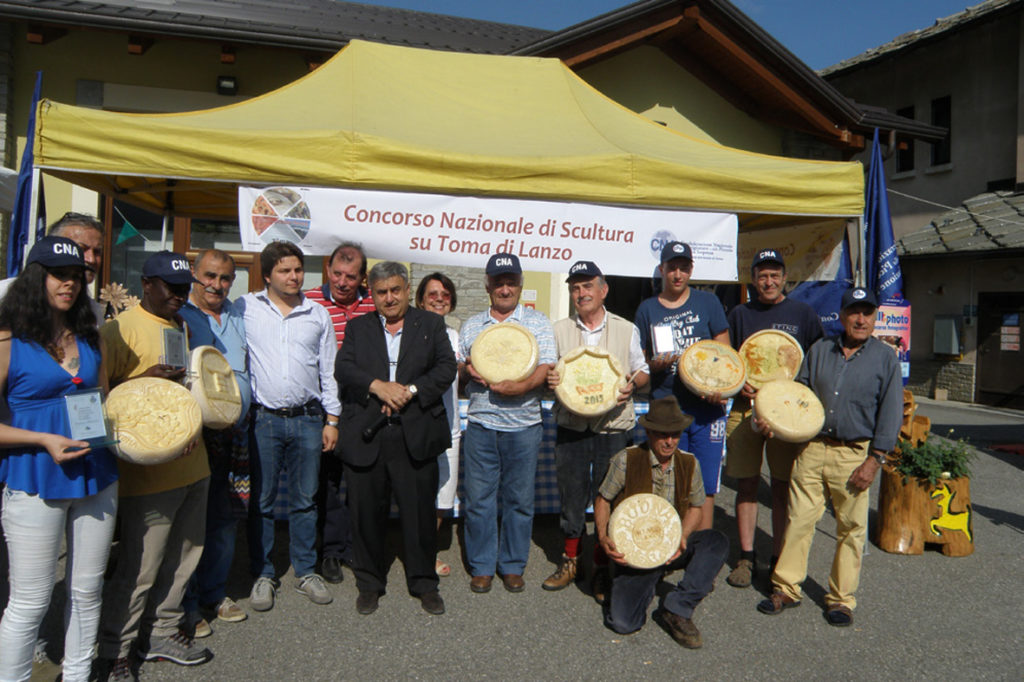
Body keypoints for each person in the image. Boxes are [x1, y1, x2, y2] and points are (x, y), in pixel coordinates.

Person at [0, 236, 118, 682]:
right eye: (58, 274)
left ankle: (78, 676)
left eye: (76, 276)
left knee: (87, 592)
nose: (69, 284)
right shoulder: (9, 340)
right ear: (35, 277)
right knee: (29, 602)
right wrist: (43, 438)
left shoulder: (90, 336)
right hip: (35, 475)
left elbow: (105, 400)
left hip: (98, 473)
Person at [97, 251, 215, 679]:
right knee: (140, 568)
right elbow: (100, 402)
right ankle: (116, 649)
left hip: (192, 463)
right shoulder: (116, 331)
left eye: (185, 288)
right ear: (146, 284)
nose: (180, 295)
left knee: (184, 557)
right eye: (171, 287)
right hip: (147, 475)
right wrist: (142, 380)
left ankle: (162, 631)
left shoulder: (180, 325)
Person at [757, 286, 902, 627]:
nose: (861, 319)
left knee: (851, 528)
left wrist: (875, 459)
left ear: (875, 317)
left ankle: (841, 599)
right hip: (812, 448)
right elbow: (799, 396)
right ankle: (787, 588)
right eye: (854, 312)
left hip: (855, 454)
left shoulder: (885, 358)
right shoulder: (820, 349)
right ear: (842, 315)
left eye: (868, 312)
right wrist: (775, 420)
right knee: (799, 520)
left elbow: (891, 413)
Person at [336, 262, 456, 615]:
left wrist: (411, 391)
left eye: (395, 290)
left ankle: (423, 583)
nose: (389, 298)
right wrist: (378, 387)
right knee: (366, 514)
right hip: (367, 433)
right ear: (371, 294)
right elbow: (344, 368)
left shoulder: (431, 325)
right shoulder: (358, 327)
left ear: (407, 290)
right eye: (381, 292)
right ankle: (369, 583)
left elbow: (446, 368)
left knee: (419, 514)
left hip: (414, 432)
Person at [238, 240, 340, 611]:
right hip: (263, 420)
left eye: (298, 269)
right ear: (267, 275)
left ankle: (305, 570)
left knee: (305, 500)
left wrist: (333, 419)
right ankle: (263, 574)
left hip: (309, 420)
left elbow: (328, 371)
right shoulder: (245, 307)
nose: (294, 276)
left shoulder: (318, 314)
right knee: (262, 502)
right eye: (284, 270)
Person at [543, 260, 649, 602]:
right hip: (572, 424)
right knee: (571, 495)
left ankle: (602, 565)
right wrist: (549, 380)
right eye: (574, 287)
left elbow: (642, 370)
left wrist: (633, 385)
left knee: (609, 496)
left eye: (587, 286)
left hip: (613, 424)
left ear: (603, 291)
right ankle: (572, 560)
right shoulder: (558, 329)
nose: (580, 293)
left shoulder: (626, 328)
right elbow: (548, 374)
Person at [594, 397, 728, 649]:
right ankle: (627, 580)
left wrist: (683, 537)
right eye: (663, 435)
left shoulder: (689, 463)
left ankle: (678, 608)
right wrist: (603, 537)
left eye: (675, 435)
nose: (670, 441)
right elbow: (603, 499)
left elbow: (697, 507)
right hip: (634, 554)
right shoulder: (626, 459)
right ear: (648, 432)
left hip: (670, 546)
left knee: (715, 541)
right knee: (623, 623)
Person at [723, 249, 822, 588]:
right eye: (762, 275)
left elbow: (814, 364)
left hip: (787, 415)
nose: (768, 281)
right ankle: (746, 557)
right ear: (753, 278)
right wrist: (740, 385)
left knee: (781, 487)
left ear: (784, 277)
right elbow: (727, 363)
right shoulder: (739, 314)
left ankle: (779, 557)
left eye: (774, 274)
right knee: (747, 484)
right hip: (746, 409)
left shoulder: (803, 314)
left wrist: (800, 398)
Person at [459, 253, 556, 593]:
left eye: (510, 281)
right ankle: (482, 565)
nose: (504, 288)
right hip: (482, 423)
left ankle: (512, 565)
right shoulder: (472, 325)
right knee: (479, 499)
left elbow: (544, 367)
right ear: (487, 285)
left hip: (525, 424)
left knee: (519, 499)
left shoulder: (538, 323)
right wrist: (467, 369)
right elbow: (462, 364)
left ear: (520, 284)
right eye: (498, 282)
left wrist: (522, 386)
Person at [179, 249, 251, 636]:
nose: (217, 285)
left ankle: (214, 592)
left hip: (236, 438)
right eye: (209, 276)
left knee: (224, 523)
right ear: (194, 273)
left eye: (225, 278)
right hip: (197, 438)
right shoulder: (181, 317)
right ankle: (186, 604)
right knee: (192, 523)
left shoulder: (239, 316)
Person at [634, 242, 730, 531]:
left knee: (706, 484)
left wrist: (721, 388)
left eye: (683, 268)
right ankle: (672, 547)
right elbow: (639, 362)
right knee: (669, 482)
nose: (677, 274)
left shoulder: (708, 303)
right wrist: (655, 365)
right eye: (672, 268)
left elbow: (726, 355)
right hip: (667, 409)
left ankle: (701, 555)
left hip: (706, 409)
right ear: (662, 269)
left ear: (691, 269)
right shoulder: (647, 309)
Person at [305, 242, 373, 584]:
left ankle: (359, 547)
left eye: (350, 276)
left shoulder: (375, 303)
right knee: (328, 483)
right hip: (324, 407)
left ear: (362, 277)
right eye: (336, 274)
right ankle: (331, 551)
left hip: (364, 407)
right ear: (327, 270)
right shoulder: (307, 302)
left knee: (362, 482)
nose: (342, 282)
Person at [415, 272, 462, 577]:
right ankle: (417, 552)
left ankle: (427, 551)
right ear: (420, 299)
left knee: (443, 496)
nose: (439, 299)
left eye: (445, 294)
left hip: (450, 427)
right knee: (417, 493)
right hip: (417, 427)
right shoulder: (409, 332)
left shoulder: (456, 336)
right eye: (432, 294)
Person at [0, 212, 107, 322]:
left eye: (97, 252)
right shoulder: (4, 294)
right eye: (81, 249)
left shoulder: (93, 313)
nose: (91, 259)